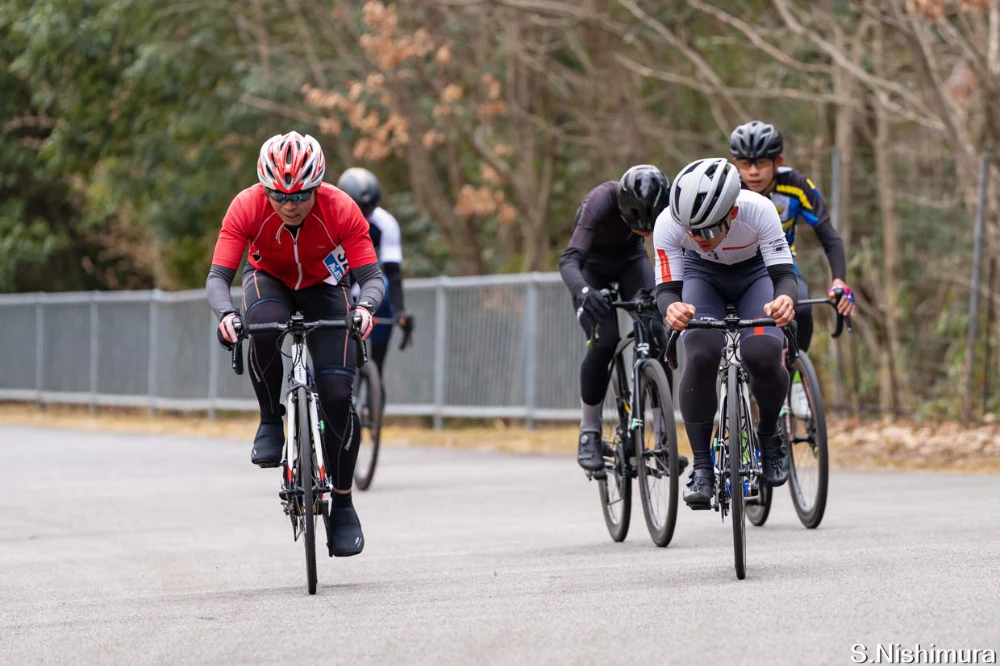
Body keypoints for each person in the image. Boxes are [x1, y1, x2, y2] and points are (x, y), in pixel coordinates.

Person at [205, 131, 384, 557]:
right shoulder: (246, 206)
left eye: (301, 195)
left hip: (325, 286)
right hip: (269, 281)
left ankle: (343, 504)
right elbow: (218, 278)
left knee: (338, 394)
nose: (289, 205)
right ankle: (271, 419)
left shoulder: (341, 208)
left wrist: (365, 308)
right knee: (262, 325)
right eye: (279, 196)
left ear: (318, 186)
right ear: (264, 189)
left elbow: (372, 278)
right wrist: (226, 315)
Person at [654, 158, 795, 508]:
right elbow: (667, 289)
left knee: (762, 353)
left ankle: (769, 434)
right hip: (702, 277)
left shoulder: (759, 210)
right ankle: (702, 466)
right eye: (691, 230)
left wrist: (784, 300)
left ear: (732, 213)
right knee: (702, 352)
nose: (697, 238)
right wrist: (671, 308)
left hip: (755, 275)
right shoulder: (668, 223)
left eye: (706, 231)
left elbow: (783, 276)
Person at [729, 120, 856, 418]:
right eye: (745, 164)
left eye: (761, 163)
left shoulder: (796, 185)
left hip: (780, 264)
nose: (753, 171)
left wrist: (839, 281)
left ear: (778, 162)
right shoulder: (729, 189)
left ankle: (796, 374)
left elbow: (830, 237)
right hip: (735, 267)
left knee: (802, 307)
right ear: (735, 164)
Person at [559, 165, 672, 472]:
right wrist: (584, 292)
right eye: (638, 225)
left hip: (630, 262)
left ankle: (664, 437)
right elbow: (569, 260)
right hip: (590, 268)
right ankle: (589, 432)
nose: (644, 232)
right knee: (605, 340)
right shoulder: (600, 201)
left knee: (656, 331)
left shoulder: (666, 205)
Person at [336, 168, 414, 388]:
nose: (364, 218)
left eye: (369, 211)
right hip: (341, 278)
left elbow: (393, 273)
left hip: (367, 281)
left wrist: (400, 311)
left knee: (384, 286)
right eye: (360, 211)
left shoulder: (386, 223)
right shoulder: (332, 220)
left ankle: (375, 376)